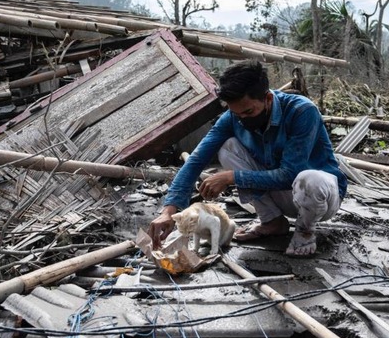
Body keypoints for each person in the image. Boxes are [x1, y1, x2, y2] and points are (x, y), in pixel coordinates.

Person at [148, 61, 347, 257]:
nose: (242, 119)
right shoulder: (233, 117)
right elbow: (196, 160)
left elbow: (290, 175)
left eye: (249, 111)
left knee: (309, 179)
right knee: (228, 148)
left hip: (322, 197)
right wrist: (169, 211)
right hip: (284, 195)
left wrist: (231, 178)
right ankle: (272, 221)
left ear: (268, 98)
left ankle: (305, 231)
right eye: (236, 113)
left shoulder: (301, 111)